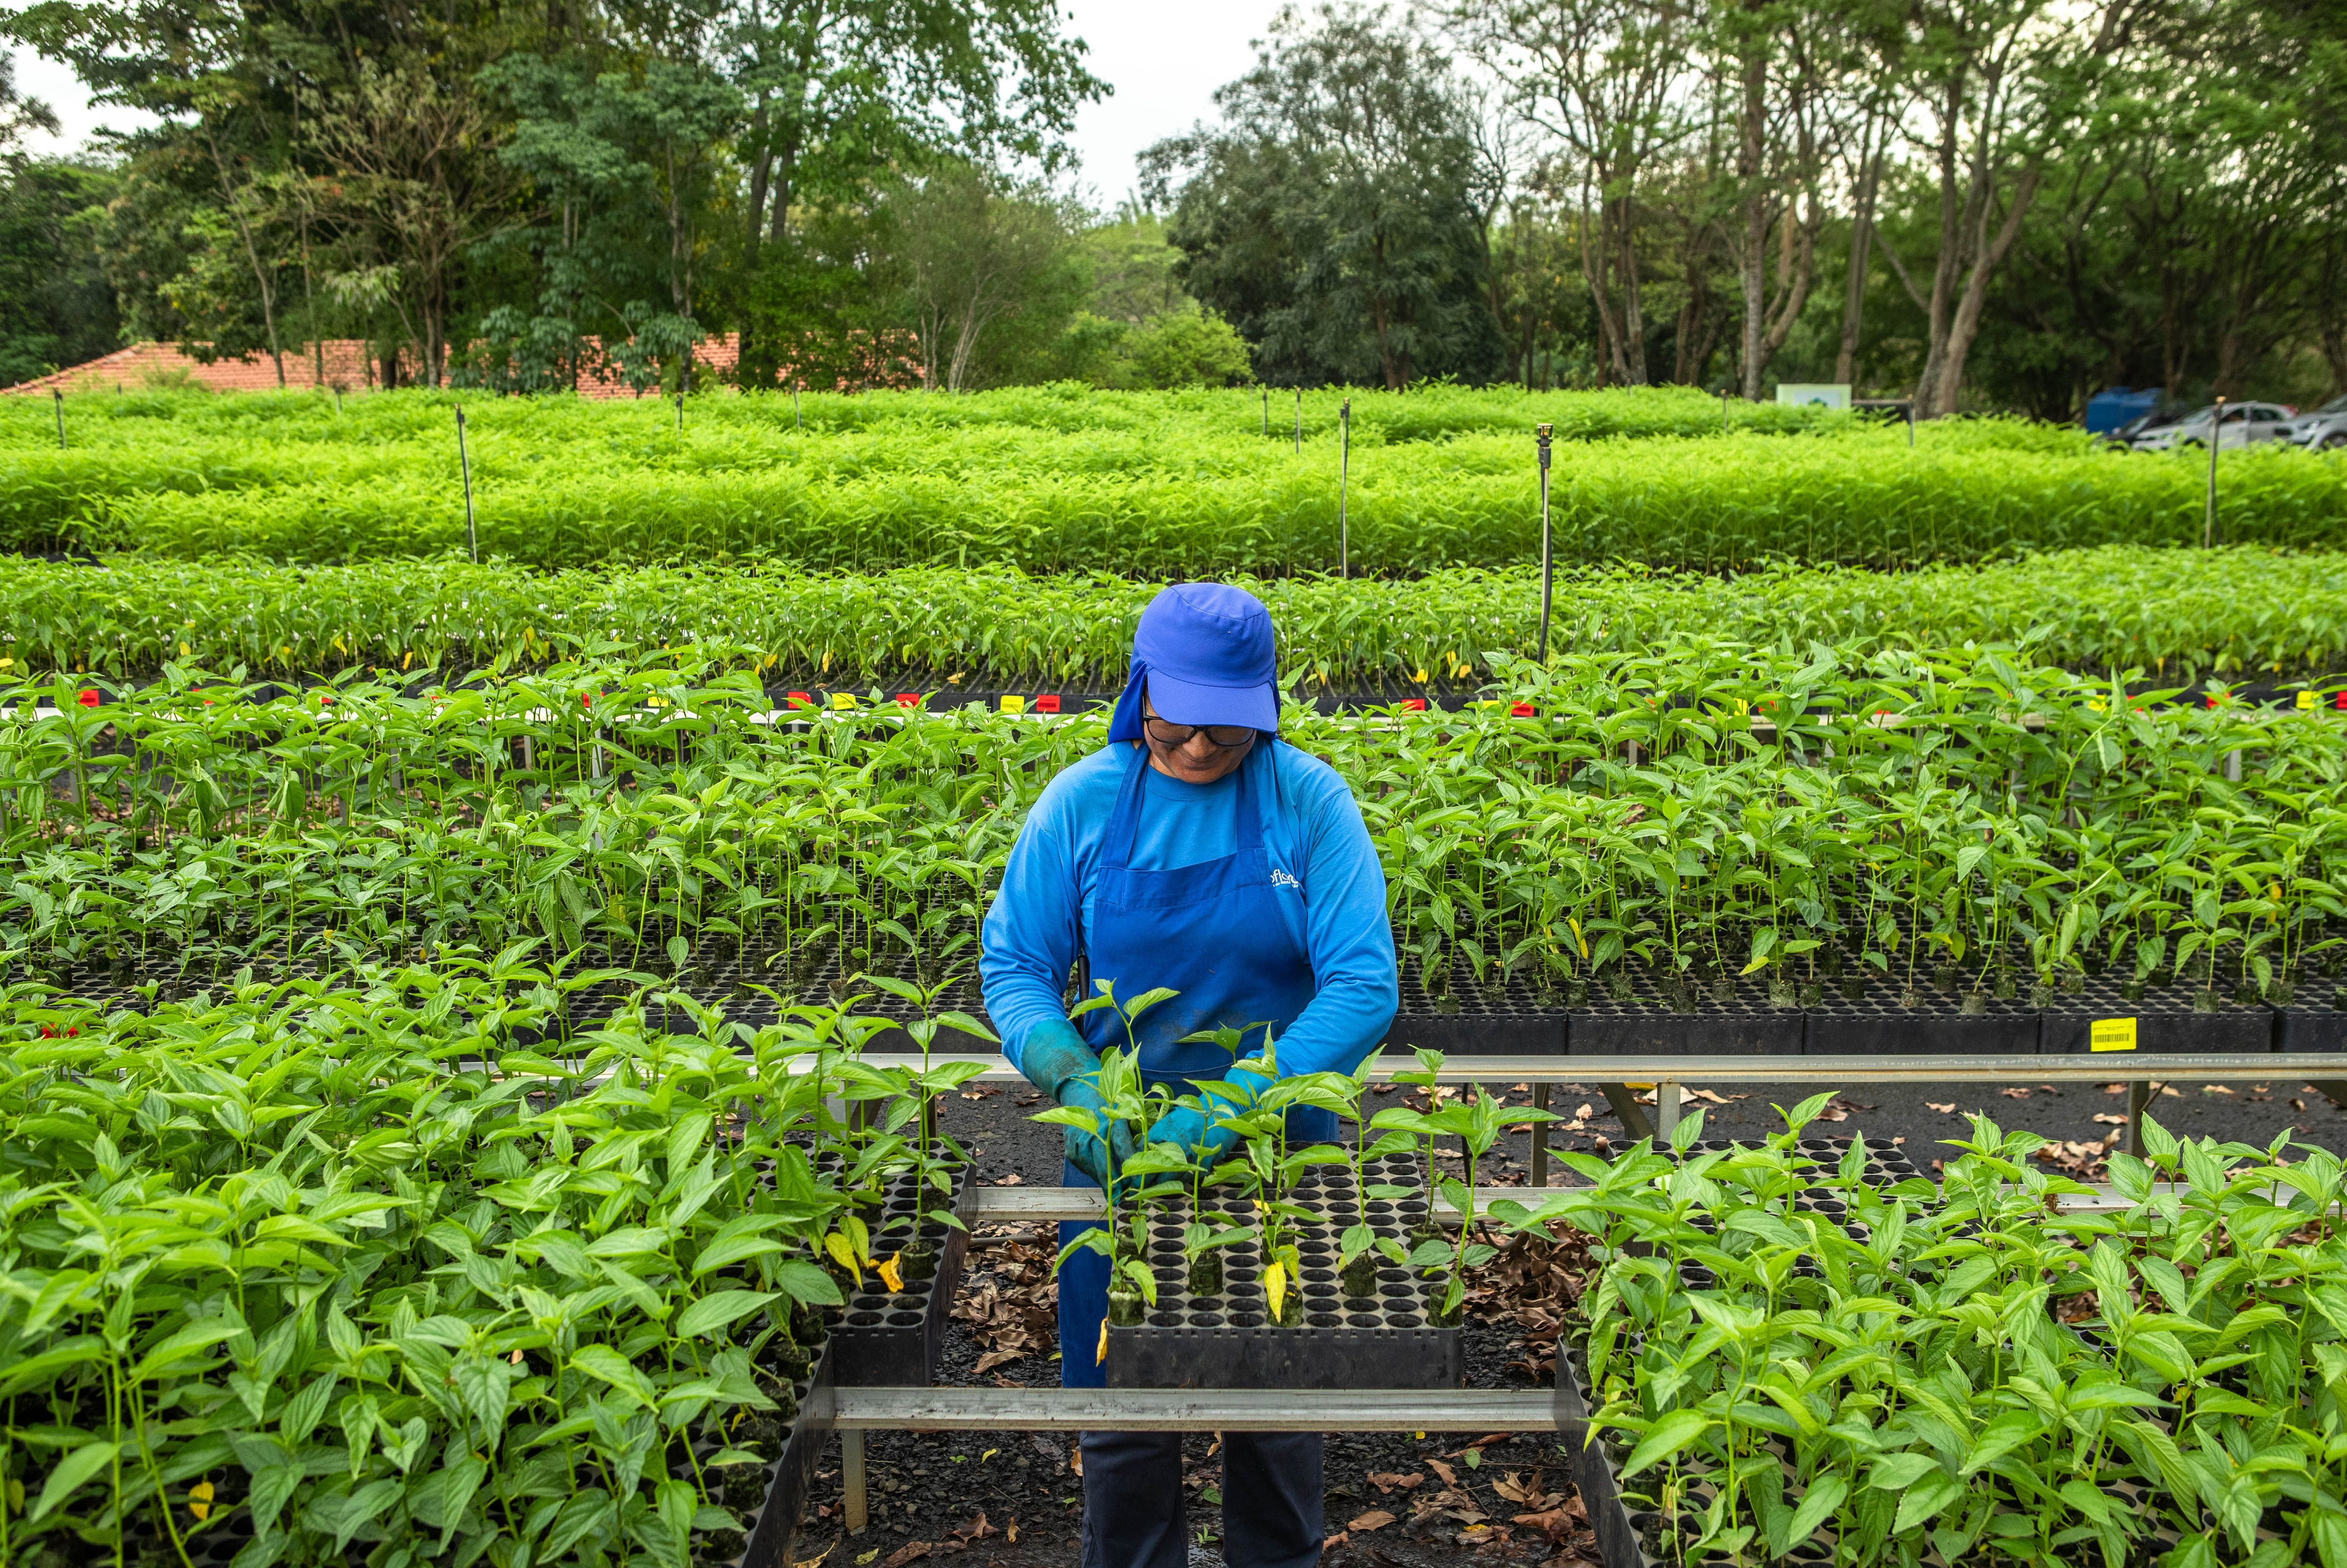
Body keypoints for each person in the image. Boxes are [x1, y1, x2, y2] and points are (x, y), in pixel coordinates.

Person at [979, 582, 1398, 1568]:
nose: (1200, 746)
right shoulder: (1084, 801)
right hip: (1120, 1155)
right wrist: (1075, 1083)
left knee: (1278, 1407)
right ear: (1139, 693)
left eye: (1228, 725)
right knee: (1122, 1402)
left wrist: (1230, 1110)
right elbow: (1016, 968)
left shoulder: (1307, 802)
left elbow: (1362, 986)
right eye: (1179, 721)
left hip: (1277, 1161)